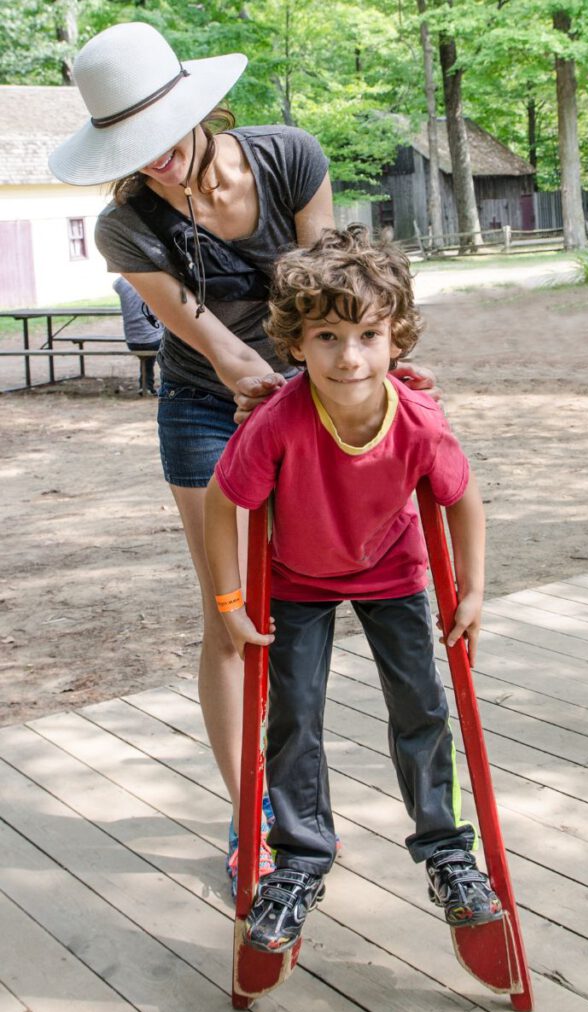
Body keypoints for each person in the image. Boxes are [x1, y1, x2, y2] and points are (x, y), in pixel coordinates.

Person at [48, 22, 435, 894]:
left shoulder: (288, 158)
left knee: (325, 580)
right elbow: (227, 356)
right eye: (128, 148)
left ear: (196, 110)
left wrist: (379, 373)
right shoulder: (126, 229)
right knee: (232, 610)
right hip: (208, 406)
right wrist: (282, 389)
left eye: (157, 139)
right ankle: (252, 812)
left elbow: (338, 284)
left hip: (318, 385)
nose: (150, 161)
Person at [204, 225, 503, 952]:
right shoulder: (276, 423)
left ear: (395, 337)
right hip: (296, 582)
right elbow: (223, 503)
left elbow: (461, 498)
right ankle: (300, 861)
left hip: (393, 571)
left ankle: (446, 852)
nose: (349, 356)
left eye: (367, 334)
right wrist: (229, 603)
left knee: (420, 707)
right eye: (327, 336)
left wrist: (470, 589)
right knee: (294, 717)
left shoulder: (418, 421)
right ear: (295, 342)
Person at [113, 276, 164, 394]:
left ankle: (145, 386)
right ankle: (162, 386)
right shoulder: (151, 282)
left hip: (132, 341)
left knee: (147, 357)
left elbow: (115, 284)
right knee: (169, 342)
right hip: (153, 341)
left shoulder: (121, 283)